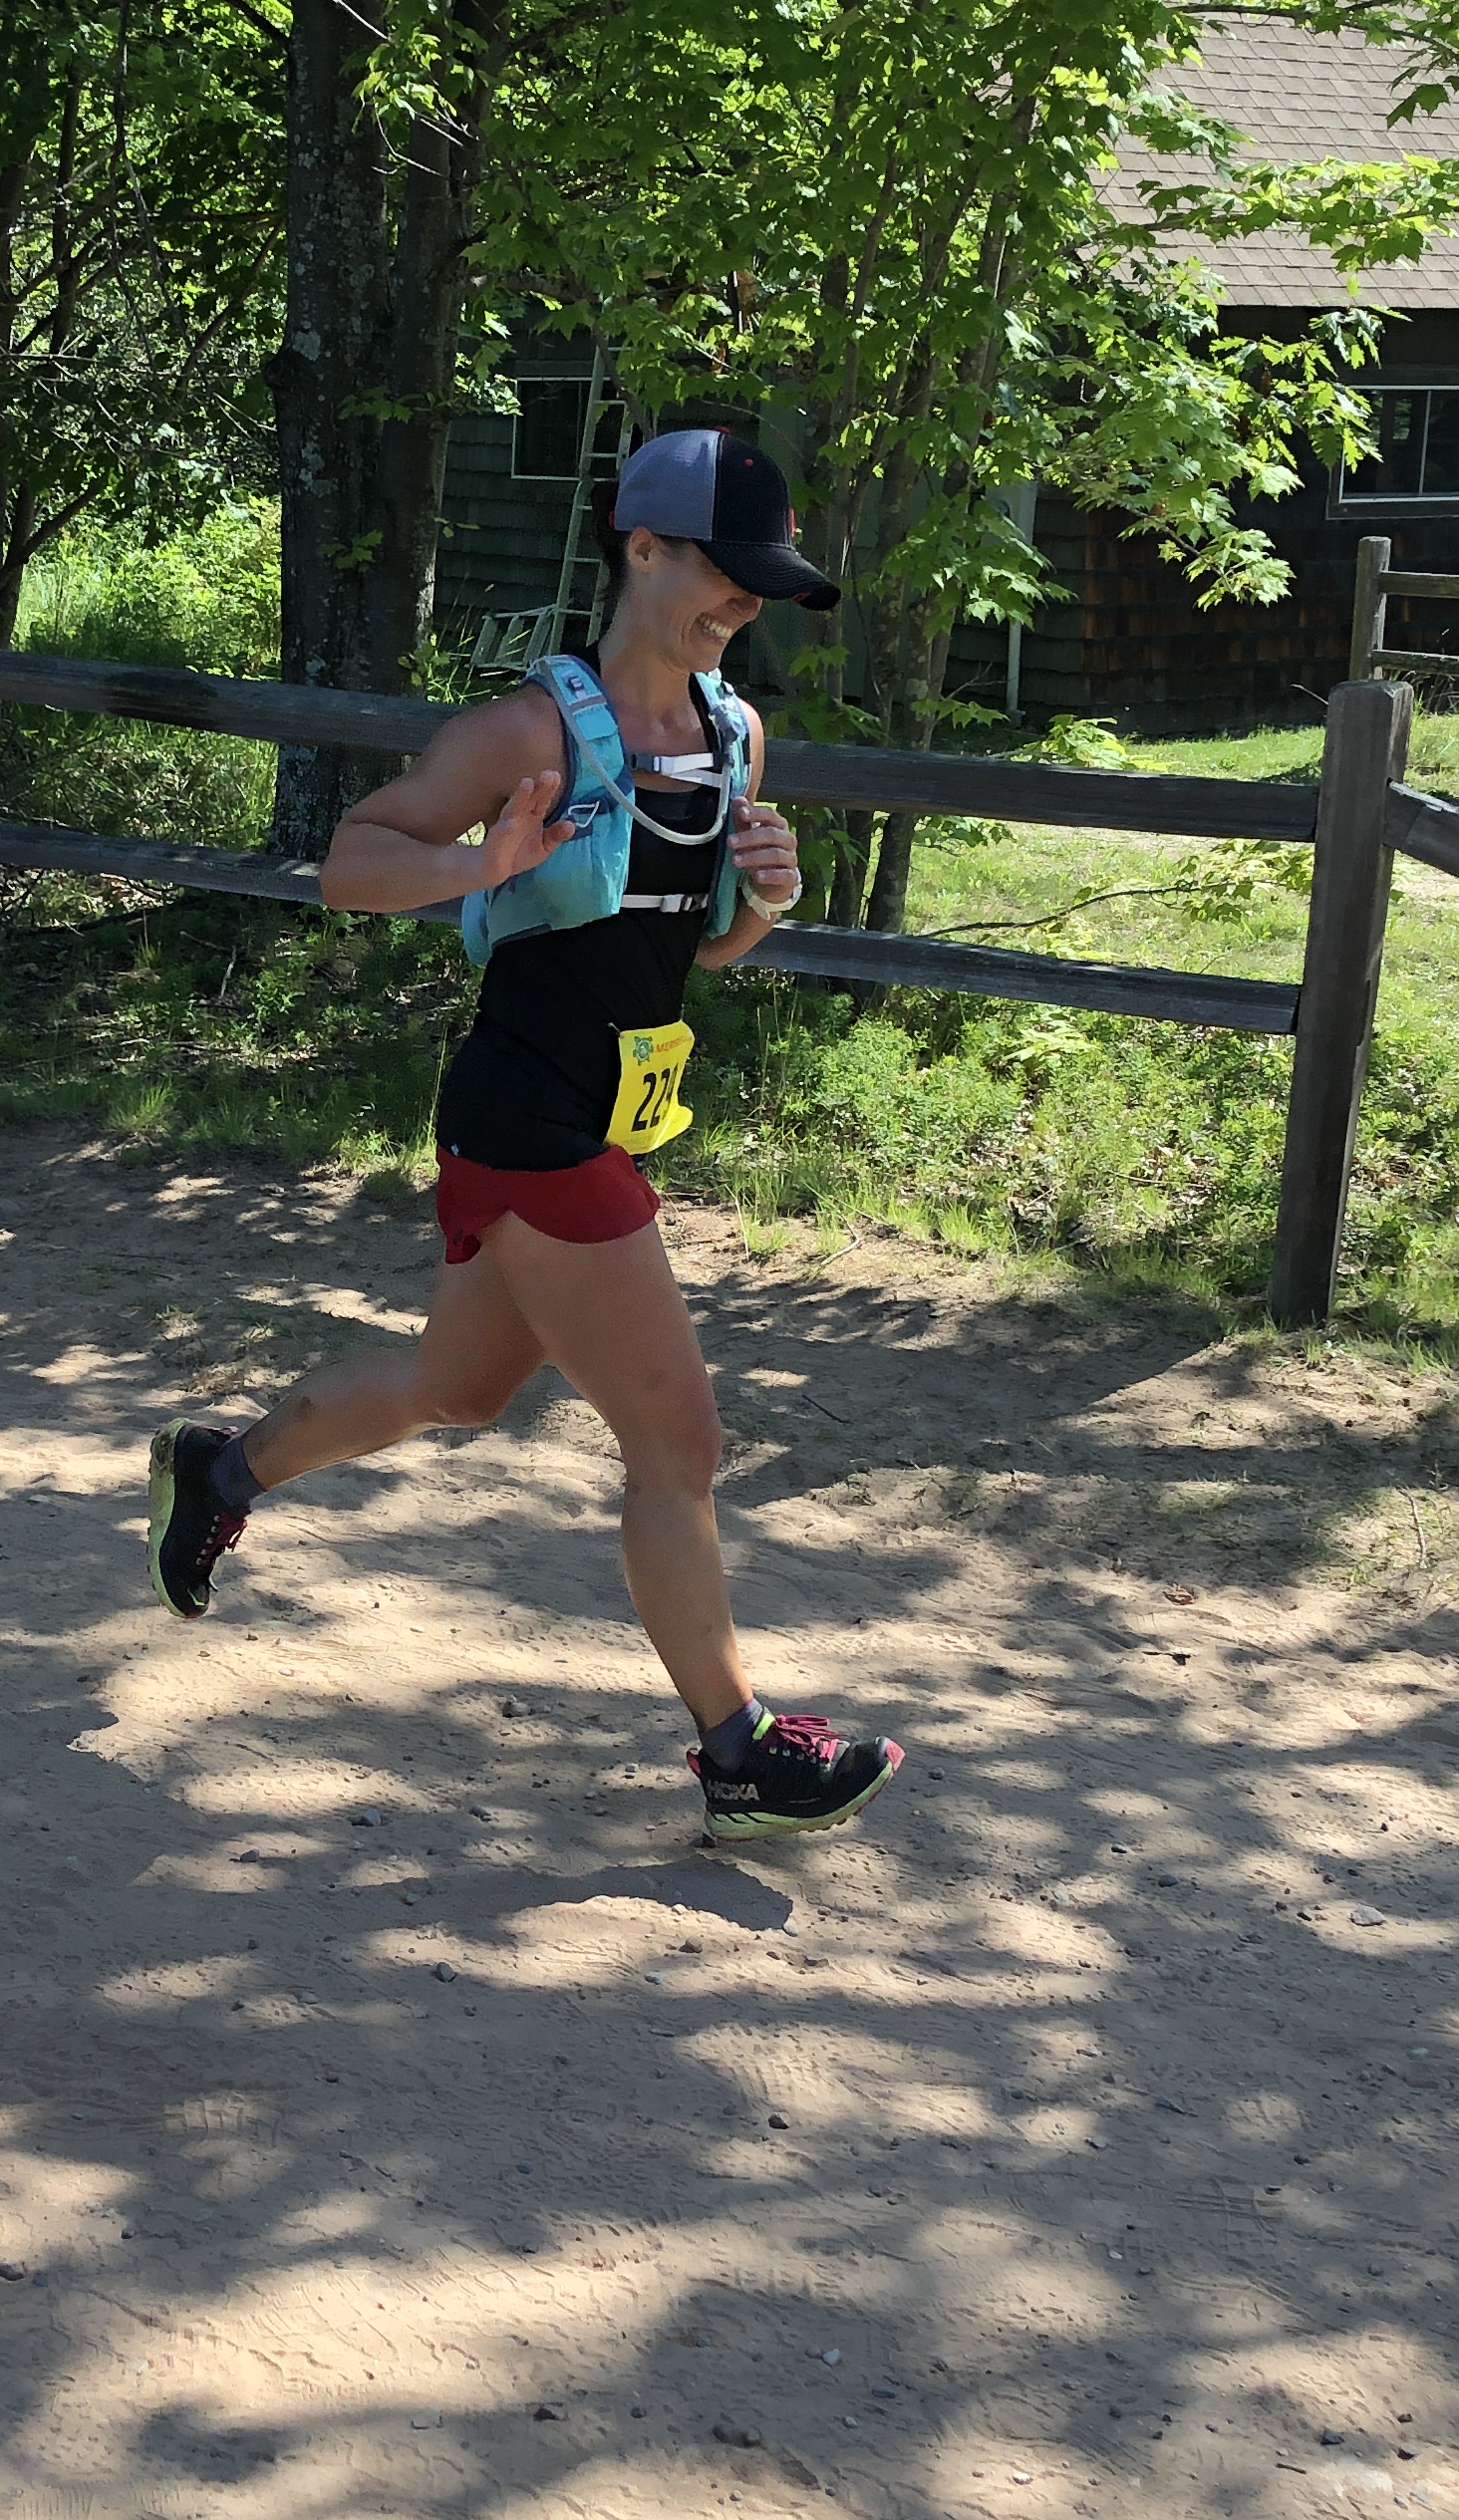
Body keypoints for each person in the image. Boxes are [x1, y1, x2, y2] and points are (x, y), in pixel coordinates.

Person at [146, 426, 903, 1844]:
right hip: (530, 1116)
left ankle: (222, 1468)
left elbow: (703, 953)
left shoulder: (733, 735)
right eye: (725, 572)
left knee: (459, 1387)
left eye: (763, 583)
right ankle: (738, 1751)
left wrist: (766, 903)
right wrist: (475, 864)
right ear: (643, 548)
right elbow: (349, 864)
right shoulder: (526, 733)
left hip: (599, 1115)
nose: (743, 602)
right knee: (679, 1441)